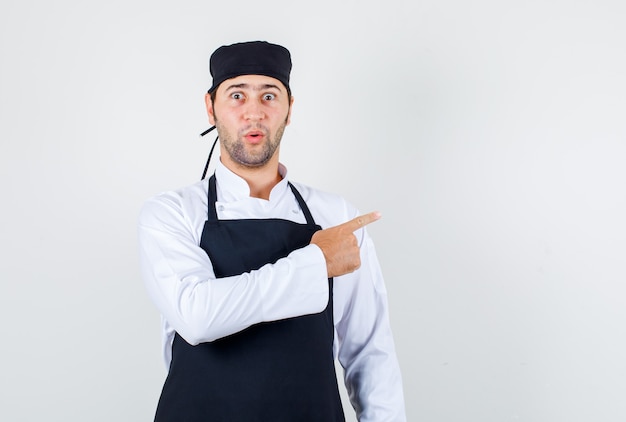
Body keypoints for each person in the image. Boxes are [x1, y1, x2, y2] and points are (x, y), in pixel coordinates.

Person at [138, 40, 406, 421]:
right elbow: (198, 316)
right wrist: (316, 262)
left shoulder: (336, 215)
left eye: (269, 96)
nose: (254, 113)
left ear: (289, 109)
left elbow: (370, 352)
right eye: (236, 96)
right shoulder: (172, 213)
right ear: (210, 108)